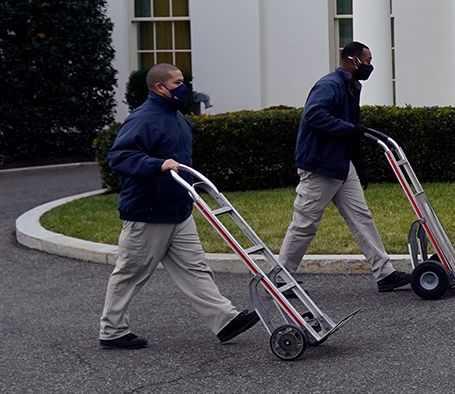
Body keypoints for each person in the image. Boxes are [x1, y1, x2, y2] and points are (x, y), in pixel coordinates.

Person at [99, 63, 259, 350]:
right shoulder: (144, 118)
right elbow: (120, 157)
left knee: (195, 269)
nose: (184, 87)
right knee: (131, 273)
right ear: (160, 87)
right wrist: (156, 164)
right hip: (148, 212)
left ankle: (225, 320)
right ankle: (112, 331)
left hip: (178, 209)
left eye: (183, 81)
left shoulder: (178, 119)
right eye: (177, 83)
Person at [276, 42, 412, 292]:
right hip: (320, 165)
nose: (370, 66)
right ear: (353, 60)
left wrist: (359, 167)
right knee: (304, 224)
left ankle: (385, 274)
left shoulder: (352, 86)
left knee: (361, 218)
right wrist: (349, 128)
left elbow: (351, 132)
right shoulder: (329, 85)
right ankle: (279, 280)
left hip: (340, 165)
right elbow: (313, 116)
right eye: (368, 61)